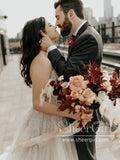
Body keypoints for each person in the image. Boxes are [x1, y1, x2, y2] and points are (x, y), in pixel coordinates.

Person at [0, 17, 81, 160]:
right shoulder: (41, 61)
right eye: (50, 25)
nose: (55, 25)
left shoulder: (47, 57)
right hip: (46, 123)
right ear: (41, 34)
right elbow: (38, 103)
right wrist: (70, 113)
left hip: (54, 118)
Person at [40, 0, 103, 160]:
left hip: (84, 116)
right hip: (80, 113)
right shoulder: (83, 35)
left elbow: (68, 73)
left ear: (71, 14)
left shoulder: (88, 38)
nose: (57, 23)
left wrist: (51, 48)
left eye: (58, 17)